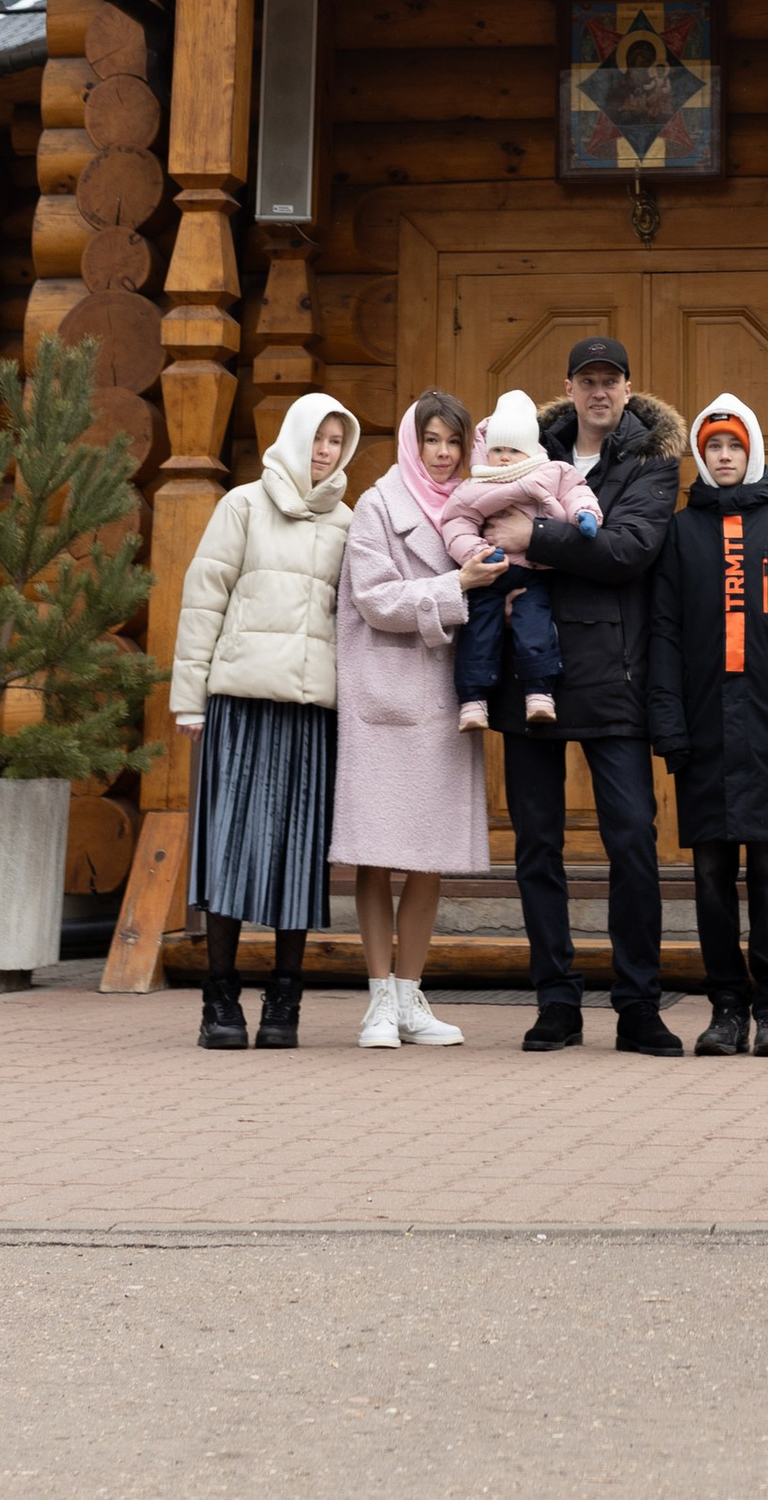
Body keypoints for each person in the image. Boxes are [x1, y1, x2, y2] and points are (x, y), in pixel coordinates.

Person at [491, 333, 684, 1056]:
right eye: (586, 380)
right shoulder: (525, 451)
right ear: (568, 389)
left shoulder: (651, 462)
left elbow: (630, 552)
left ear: (628, 390)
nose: (599, 391)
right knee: (536, 847)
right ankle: (556, 1002)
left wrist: (535, 534)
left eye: (611, 380)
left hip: (615, 678)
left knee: (632, 842)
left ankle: (639, 1005)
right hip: (529, 676)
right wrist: (557, 543)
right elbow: (481, 523)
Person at [169, 387, 363, 1054]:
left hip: (311, 712)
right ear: (295, 436)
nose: (326, 452)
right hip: (242, 703)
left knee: (296, 857)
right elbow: (203, 602)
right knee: (229, 850)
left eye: (337, 442)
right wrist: (189, 700)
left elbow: (359, 621)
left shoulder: (349, 522)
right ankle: (219, 999)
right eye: (318, 438)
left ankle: (285, 999)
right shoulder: (242, 506)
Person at [649, 394, 768, 1058]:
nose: (725, 457)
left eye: (735, 447)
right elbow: (664, 635)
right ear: (701, 454)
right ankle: (727, 1008)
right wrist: (667, 725)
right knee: (709, 875)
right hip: (703, 733)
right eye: (714, 447)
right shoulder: (680, 532)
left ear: (752, 450)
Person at [331, 390, 497, 1051]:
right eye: (432, 439)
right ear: (412, 441)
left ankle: (409, 998)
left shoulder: (476, 509)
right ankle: (376, 1003)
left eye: (454, 441)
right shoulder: (378, 505)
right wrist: (455, 588)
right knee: (375, 858)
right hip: (384, 700)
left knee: (428, 860)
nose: (444, 452)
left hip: (448, 700)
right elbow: (374, 601)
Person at [438, 389, 601, 732]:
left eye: (513, 450)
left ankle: (540, 693)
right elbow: (457, 523)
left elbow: (576, 491)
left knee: (536, 628)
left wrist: (585, 514)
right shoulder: (475, 484)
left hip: (532, 571)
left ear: (529, 450)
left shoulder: (551, 471)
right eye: (498, 449)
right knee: (479, 632)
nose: (505, 458)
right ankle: (472, 700)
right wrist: (474, 553)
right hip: (489, 573)